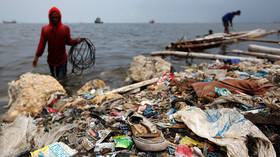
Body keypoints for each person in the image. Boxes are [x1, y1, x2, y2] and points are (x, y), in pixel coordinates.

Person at [32, 7, 83, 81]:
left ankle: (65, 91)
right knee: (53, 80)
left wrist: (76, 41)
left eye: (56, 17)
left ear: (60, 17)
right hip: (51, 61)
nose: (55, 19)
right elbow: (41, 45)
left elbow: (68, 42)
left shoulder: (65, 29)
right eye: (53, 17)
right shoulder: (45, 29)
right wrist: (36, 58)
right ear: (50, 17)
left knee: (61, 80)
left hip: (62, 60)